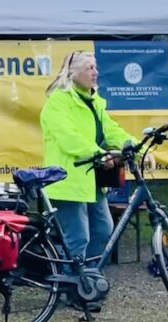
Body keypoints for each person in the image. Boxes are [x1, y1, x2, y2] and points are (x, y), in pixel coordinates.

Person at [40, 51, 135, 269]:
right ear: (72, 73)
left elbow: (112, 131)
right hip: (67, 181)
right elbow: (70, 139)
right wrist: (100, 155)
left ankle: (88, 282)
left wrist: (137, 147)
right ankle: (71, 287)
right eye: (89, 68)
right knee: (78, 238)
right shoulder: (58, 103)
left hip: (90, 181)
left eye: (96, 67)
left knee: (103, 231)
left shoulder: (95, 102)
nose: (96, 72)